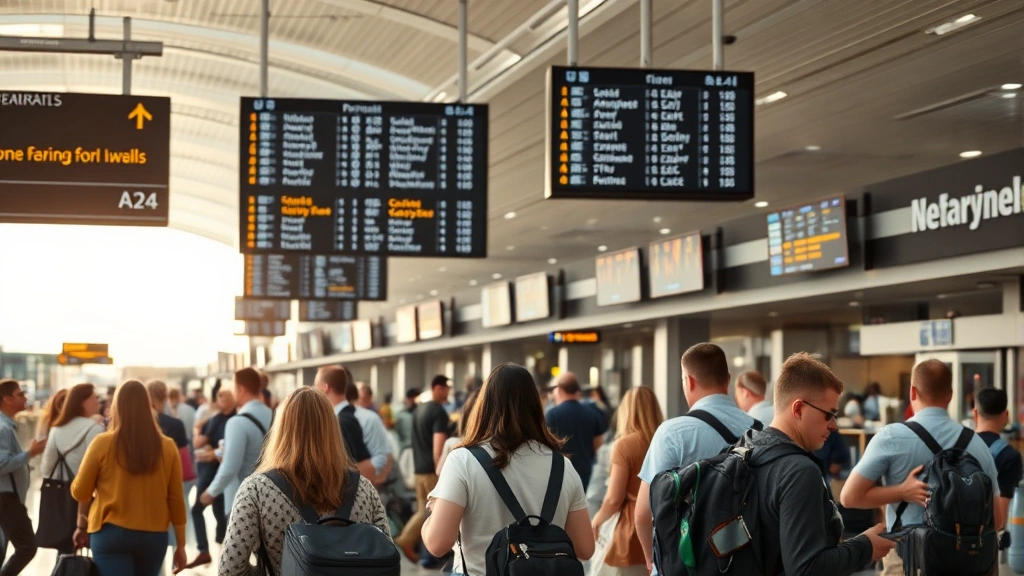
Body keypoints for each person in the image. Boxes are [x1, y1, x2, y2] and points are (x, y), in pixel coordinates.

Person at [421, 363, 595, 575]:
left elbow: (437, 544)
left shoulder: (462, 460)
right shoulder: (563, 466)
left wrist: (432, 517)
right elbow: (585, 549)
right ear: (535, 407)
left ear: (485, 406)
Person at [840, 359, 1000, 576]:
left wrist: (901, 492)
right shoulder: (977, 444)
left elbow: (849, 497)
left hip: (908, 560)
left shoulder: (892, 437)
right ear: (951, 395)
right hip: (969, 561)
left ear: (912, 392)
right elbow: (997, 519)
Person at [218, 387, 390, 575]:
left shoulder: (256, 490)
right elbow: (387, 557)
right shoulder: (364, 488)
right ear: (332, 429)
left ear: (281, 430)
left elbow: (230, 569)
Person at [746, 353, 892, 574]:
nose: (834, 425)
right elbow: (806, 569)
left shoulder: (747, 446)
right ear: (798, 409)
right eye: (828, 415)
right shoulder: (799, 471)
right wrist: (866, 546)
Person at [634, 343, 758, 573]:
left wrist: (653, 560)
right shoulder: (761, 431)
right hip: (746, 563)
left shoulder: (672, 433)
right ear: (728, 379)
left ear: (689, 381)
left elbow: (644, 512)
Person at [70, 380, 187, 576]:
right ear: (147, 406)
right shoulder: (167, 446)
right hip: (154, 536)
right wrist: (181, 545)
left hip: (110, 534)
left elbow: (81, 491)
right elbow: (176, 498)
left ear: (116, 406)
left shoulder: (102, 443)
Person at [590, 387, 664, 576]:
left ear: (626, 411)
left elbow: (614, 498)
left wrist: (596, 521)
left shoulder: (625, 445)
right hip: (663, 525)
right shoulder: (665, 441)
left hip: (632, 533)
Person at [40, 383, 105, 555]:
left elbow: (46, 469)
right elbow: (102, 470)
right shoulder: (96, 429)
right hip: (89, 499)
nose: (98, 402)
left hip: (61, 498)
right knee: (97, 552)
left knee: (66, 552)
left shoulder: (56, 428)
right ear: (83, 402)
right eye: (94, 398)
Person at [394, 375, 452, 563]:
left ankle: (408, 541)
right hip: (431, 471)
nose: (448, 391)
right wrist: (440, 472)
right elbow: (438, 448)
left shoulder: (419, 410)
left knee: (422, 512)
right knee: (438, 513)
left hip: (418, 469)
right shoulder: (438, 412)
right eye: (446, 387)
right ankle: (417, 546)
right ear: (437, 388)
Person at [200, 367, 273, 513]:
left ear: (241, 389)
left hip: (241, 504)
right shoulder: (275, 415)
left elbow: (230, 467)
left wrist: (210, 493)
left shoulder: (237, 422)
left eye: (233, 387)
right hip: (269, 499)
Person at [185, 387, 236, 568]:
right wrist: (199, 428)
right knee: (203, 509)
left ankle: (218, 550)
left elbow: (230, 450)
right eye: (219, 397)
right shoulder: (216, 418)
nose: (221, 400)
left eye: (225, 396)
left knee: (219, 513)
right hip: (210, 471)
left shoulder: (235, 419)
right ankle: (206, 550)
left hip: (221, 471)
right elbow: (199, 442)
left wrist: (213, 453)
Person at [0, 380, 46, 576]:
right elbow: (2, 464)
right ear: (7, 399)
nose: (25, 398)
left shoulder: (8, 426)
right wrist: (30, 453)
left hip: (9, 498)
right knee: (27, 546)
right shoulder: (2, 428)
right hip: (6, 498)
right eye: (20, 394)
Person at [545, 372, 608, 491]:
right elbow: (599, 444)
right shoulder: (593, 413)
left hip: (559, 474)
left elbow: (547, 447)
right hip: (586, 474)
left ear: (559, 390)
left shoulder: (551, 415)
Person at [313, 365, 377, 481]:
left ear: (325, 387)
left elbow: (363, 465)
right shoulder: (348, 417)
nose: (315, 390)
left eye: (316, 386)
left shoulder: (341, 421)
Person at [973, 388, 1024, 531]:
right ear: (1006, 415)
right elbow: (999, 521)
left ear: (975, 413)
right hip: (983, 544)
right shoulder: (1009, 457)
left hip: (948, 538)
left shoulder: (957, 446)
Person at [346, 377, 393, 483]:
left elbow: (385, 454)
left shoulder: (372, 416)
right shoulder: (354, 416)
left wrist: (376, 480)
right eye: (359, 398)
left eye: (364, 398)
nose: (361, 402)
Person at [395, 387, 420, 452]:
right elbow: (398, 433)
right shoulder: (401, 415)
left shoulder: (422, 414)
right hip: (406, 448)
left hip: (419, 449)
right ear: (409, 398)